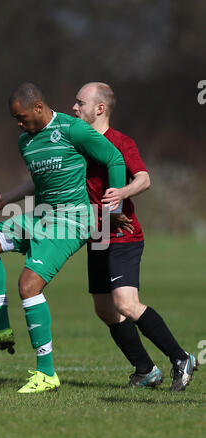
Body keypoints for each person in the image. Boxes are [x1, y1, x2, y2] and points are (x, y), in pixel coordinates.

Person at [0, 82, 127, 394]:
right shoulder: (25, 142)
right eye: (16, 119)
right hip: (41, 216)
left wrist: (113, 207)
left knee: (28, 285)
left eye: (22, 117)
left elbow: (115, 159)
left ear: (39, 108)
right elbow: (38, 183)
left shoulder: (72, 129)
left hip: (72, 222)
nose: (19, 124)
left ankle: (46, 373)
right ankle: (0, 329)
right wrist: (6, 198)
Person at [72, 82, 198, 392]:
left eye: (80, 103)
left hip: (123, 235)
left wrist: (121, 193)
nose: (74, 108)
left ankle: (181, 358)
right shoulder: (76, 142)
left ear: (99, 109)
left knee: (126, 303)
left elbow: (144, 178)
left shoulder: (120, 142)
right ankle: (145, 370)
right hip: (97, 234)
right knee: (104, 309)